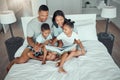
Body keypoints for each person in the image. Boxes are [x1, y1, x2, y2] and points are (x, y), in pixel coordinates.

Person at [7, 5, 52, 71]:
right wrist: (34, 46)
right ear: (38, 13)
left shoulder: (50, 20)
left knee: (53, 56)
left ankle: (35, 57)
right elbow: (29, 38)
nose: (45, 18)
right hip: (34, 44)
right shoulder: (31, 23)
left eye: (46, 15)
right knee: (22, 60)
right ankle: (13, 62)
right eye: (42, 15)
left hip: (45, 44)